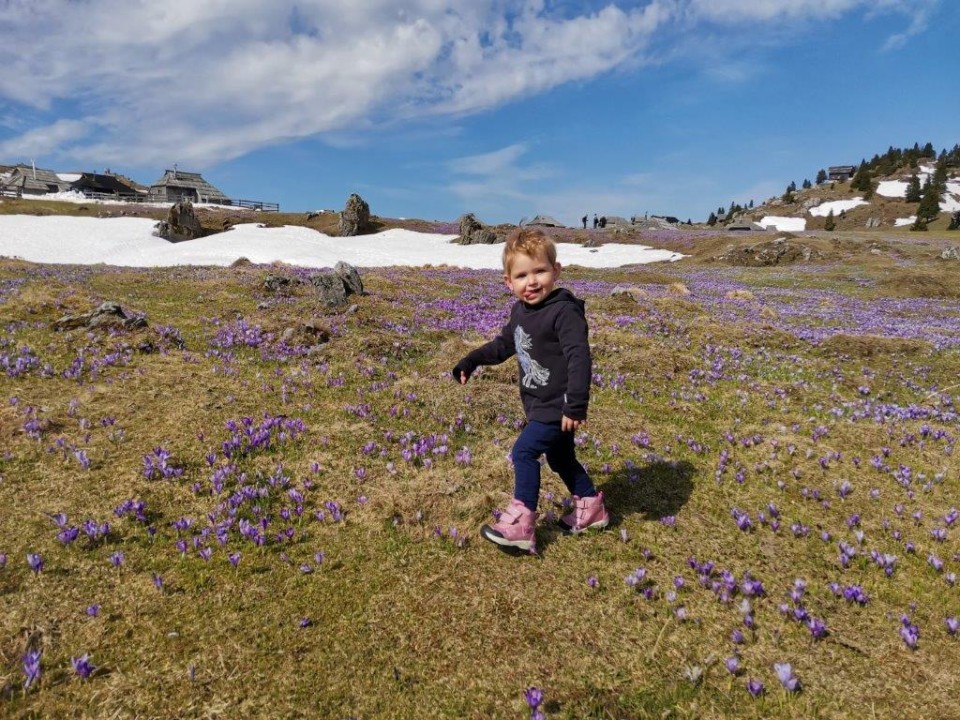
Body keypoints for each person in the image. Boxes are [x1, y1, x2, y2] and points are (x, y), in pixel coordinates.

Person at [453, 228, 608, 551]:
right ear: (508, 282)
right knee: (561, 458)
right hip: (539, 402)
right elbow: (503, 346)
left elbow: (579, 356)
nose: (532, 281)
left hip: (558, 404)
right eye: (522, 275)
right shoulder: (520, 312)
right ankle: (591, 507)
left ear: (556, 271)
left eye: (540, 271)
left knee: (524, 451)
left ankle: (522, 521)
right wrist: (472, 360)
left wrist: (575, 404)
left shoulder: (564, 312)